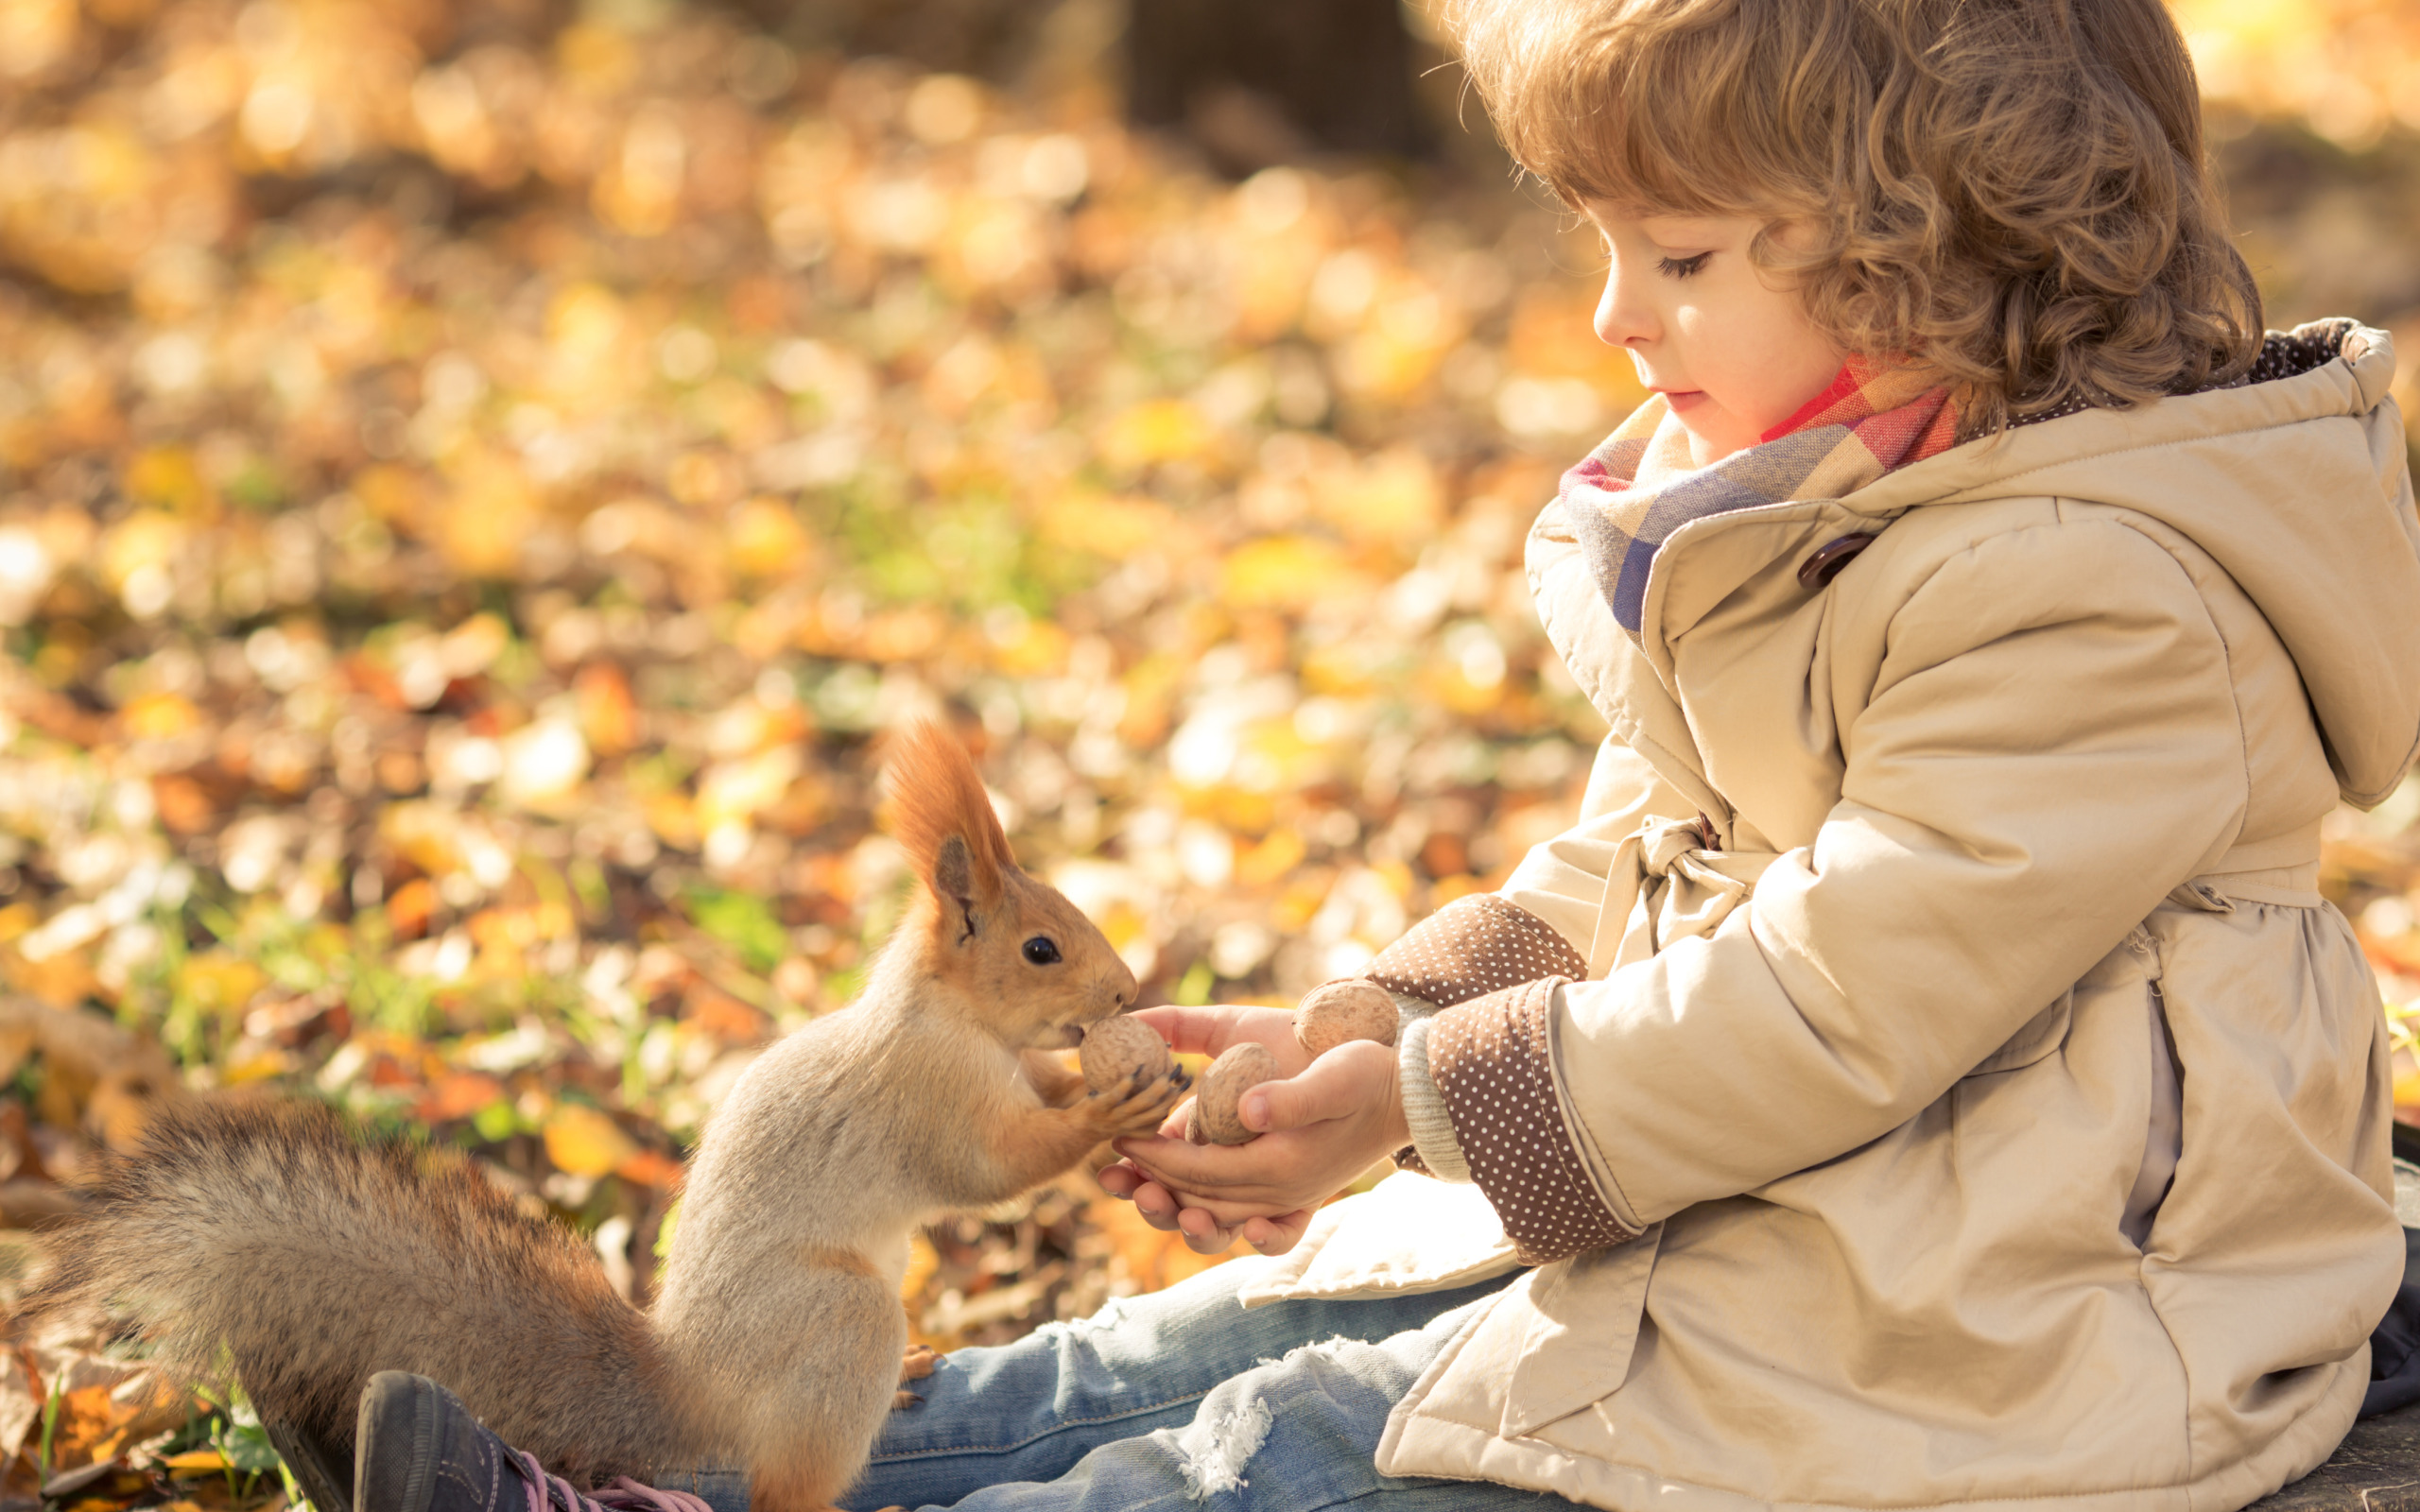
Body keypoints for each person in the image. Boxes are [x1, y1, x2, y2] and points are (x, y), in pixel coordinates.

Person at [354, 0, 2420, 1507]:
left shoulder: (2088, 595)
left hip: (2003, 1299)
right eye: (1600, 241)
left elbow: (1835, 991)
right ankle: (669, 1475)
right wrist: (1389, 1014)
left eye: (1675, 255)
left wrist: (1419, 1103)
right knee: (1217, 1344)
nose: (1612, 315)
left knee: (1310, 1450)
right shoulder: (1825, 508)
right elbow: (1643, 865)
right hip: (1796, 1209)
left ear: (1929, 258)